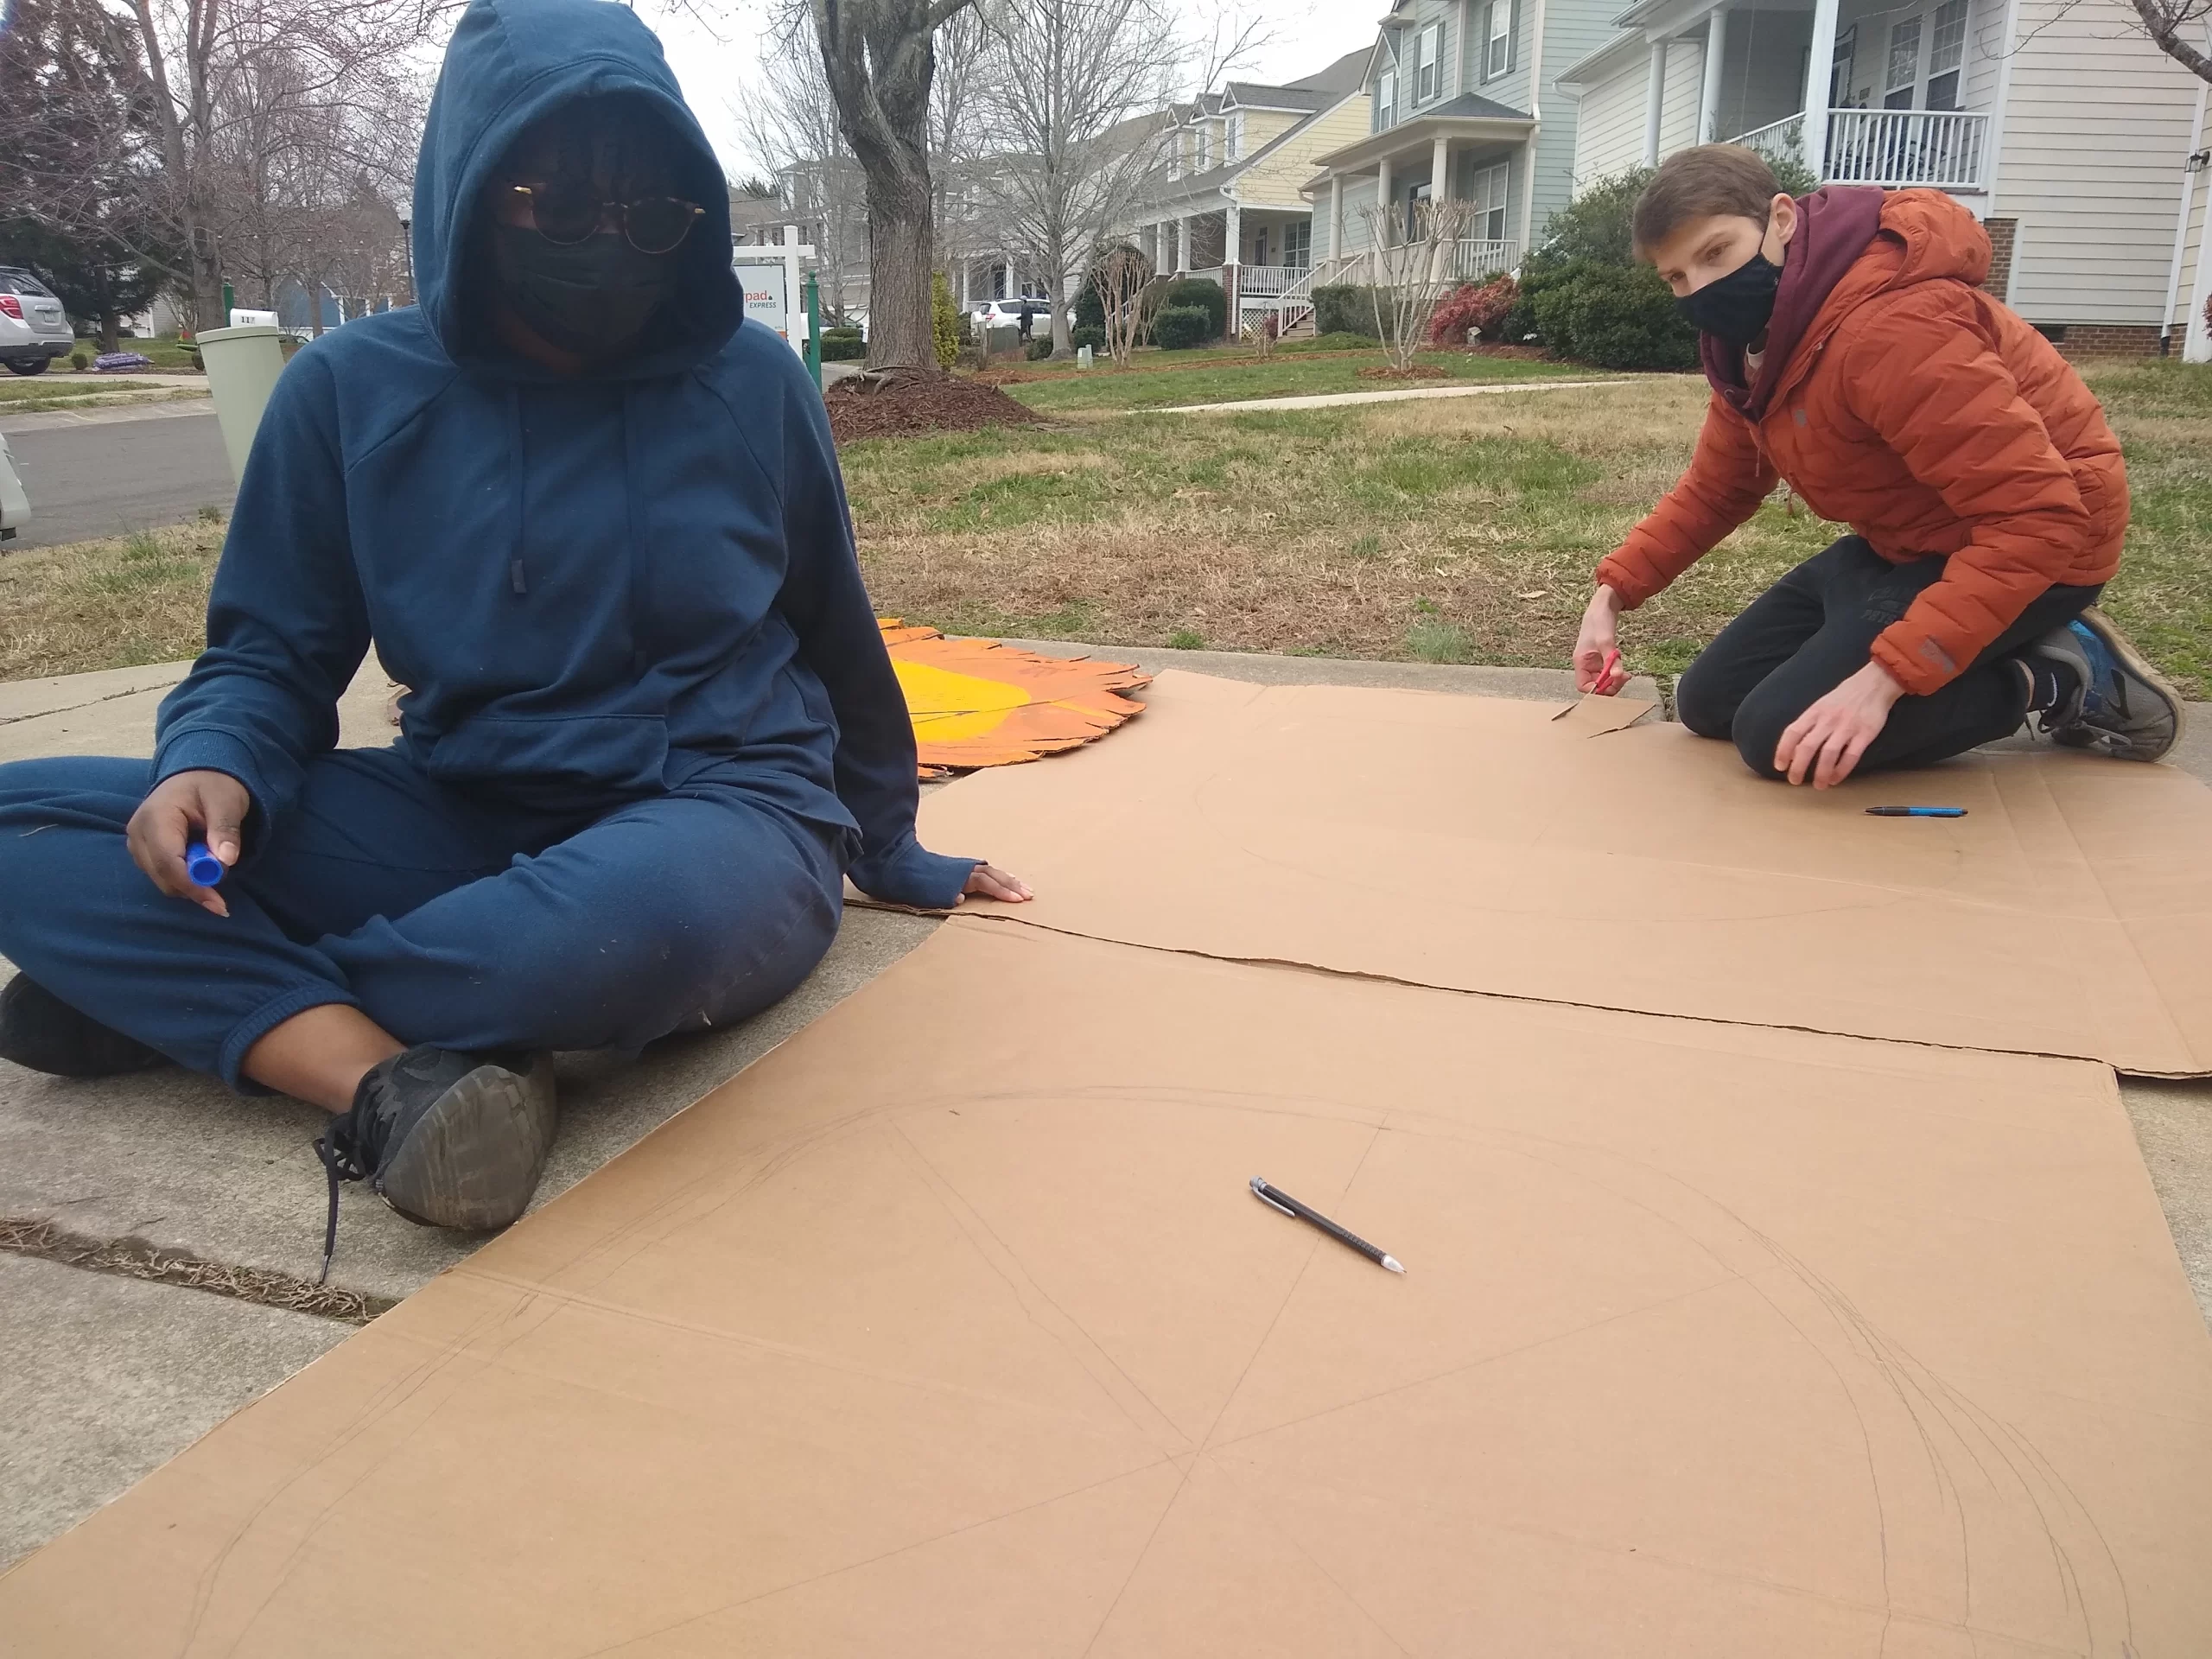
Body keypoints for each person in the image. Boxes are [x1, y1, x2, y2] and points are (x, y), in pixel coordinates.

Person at [0, 0, 1026, 1274]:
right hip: (462, 805)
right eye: (563, 205)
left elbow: (834, 625)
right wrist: (208, 764)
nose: (611, 242)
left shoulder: (751, 384)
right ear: (472, 187)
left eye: (652, 215)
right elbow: (270, 651)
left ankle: (190, 1006)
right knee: (26, 826)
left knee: (615, 931)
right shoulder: (350, 395)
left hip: (721, 808)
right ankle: (381, 1070)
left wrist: (888, 843)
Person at [1574, 145, 2184, 786]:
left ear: (1781, 220)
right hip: (1909, 542)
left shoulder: (1894, 329)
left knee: (1776, 737)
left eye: (1715, 253)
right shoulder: (1755, 343)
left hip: (2040, 551)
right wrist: (1613, 594)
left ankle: (2062, 676)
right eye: (1676, 277)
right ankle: (1977, 645)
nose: (1701, 290)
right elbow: (1719, 487)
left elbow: (2037, 519)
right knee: (1710, 703)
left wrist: (1885, 679)